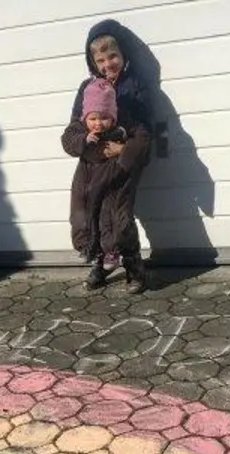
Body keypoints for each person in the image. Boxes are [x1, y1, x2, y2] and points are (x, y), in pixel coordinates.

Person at [63, 23, 152, 292]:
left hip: (122, 164)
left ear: (123, 54)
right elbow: (76, 126)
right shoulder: (87, 87)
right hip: (92, 164)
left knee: (119, 216)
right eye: (99, 60)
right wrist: (87, 147)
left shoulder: (135, 86)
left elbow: (146, 129)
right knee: (88, 212)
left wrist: (124, 152)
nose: (107, 64)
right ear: (92, 62)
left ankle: (134, 266)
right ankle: (101, 261)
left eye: (112, 56)